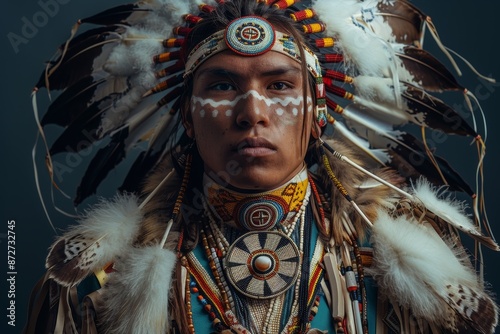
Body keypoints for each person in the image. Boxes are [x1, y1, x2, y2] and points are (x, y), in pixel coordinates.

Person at [24, 0, 498, 333]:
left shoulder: (411, 265)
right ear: (187, 115)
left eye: (279, 87)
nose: (252, 112)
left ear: (318, 113)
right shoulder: (100, 279)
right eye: (222, 86)